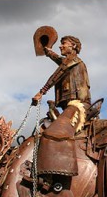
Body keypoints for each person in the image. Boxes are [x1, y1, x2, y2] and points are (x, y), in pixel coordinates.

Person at [32, 35, 91, 181]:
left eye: (64, 44)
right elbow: (60, 61)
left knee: (55, 132)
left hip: (78, 104)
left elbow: (58, 72)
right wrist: (47, 51)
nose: (60, 46)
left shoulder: (74, 61)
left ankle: (57, 174)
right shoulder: (68, 61)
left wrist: (42, 92)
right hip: (68, 105)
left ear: (73, 47)